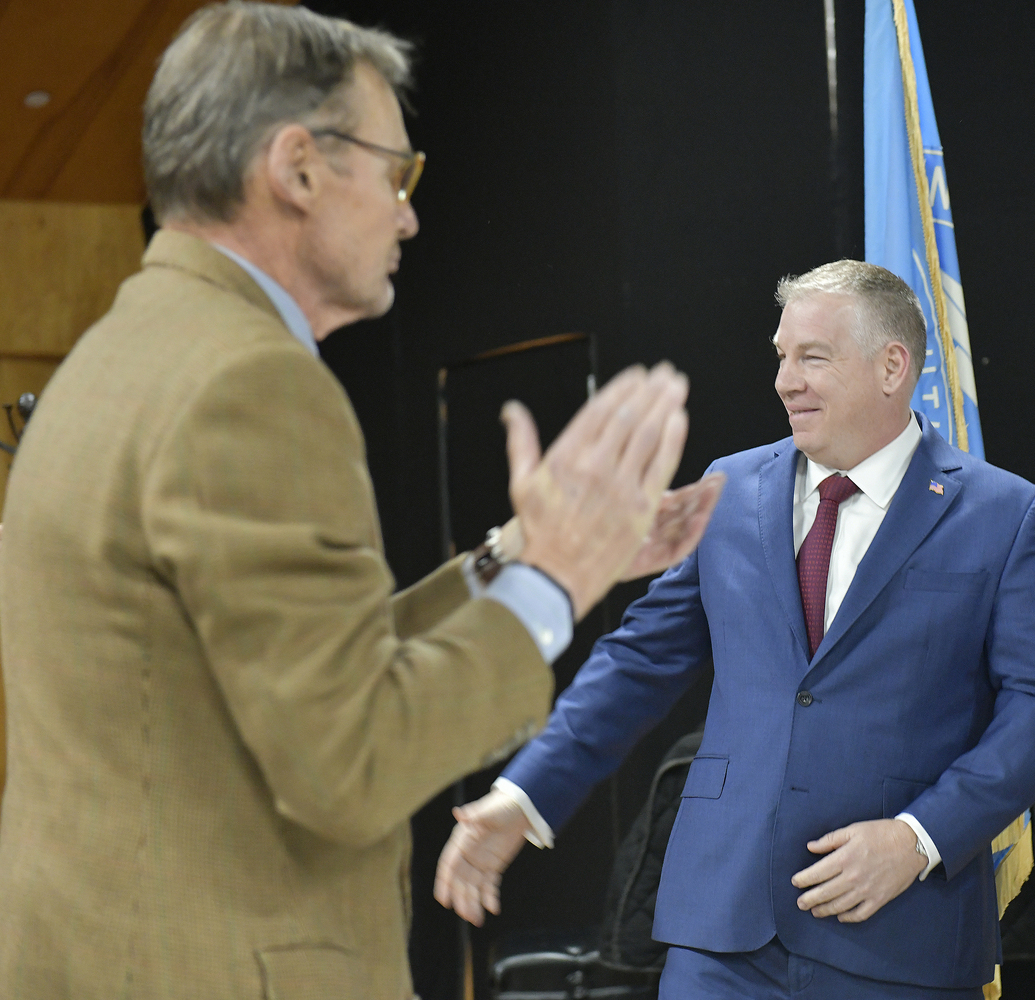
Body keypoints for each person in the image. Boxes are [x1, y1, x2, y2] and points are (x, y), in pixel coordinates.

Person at [0, 5, 721, 999]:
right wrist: (555, 582)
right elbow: (348, 759)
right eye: (397, 172)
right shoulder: (248, 384)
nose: (409, 215)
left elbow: (289, 669)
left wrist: (520, 553)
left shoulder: (115, 355)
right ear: (297, 168)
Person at [435, 260, 1035, 999]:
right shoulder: (730, 488)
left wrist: (919, 838)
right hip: (724, 935)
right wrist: (525, 797)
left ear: (892, 366)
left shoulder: (1005, 515)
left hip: (902, 934)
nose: (785, 380)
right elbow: (636, 662)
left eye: (813, 356)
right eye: (781, 356)